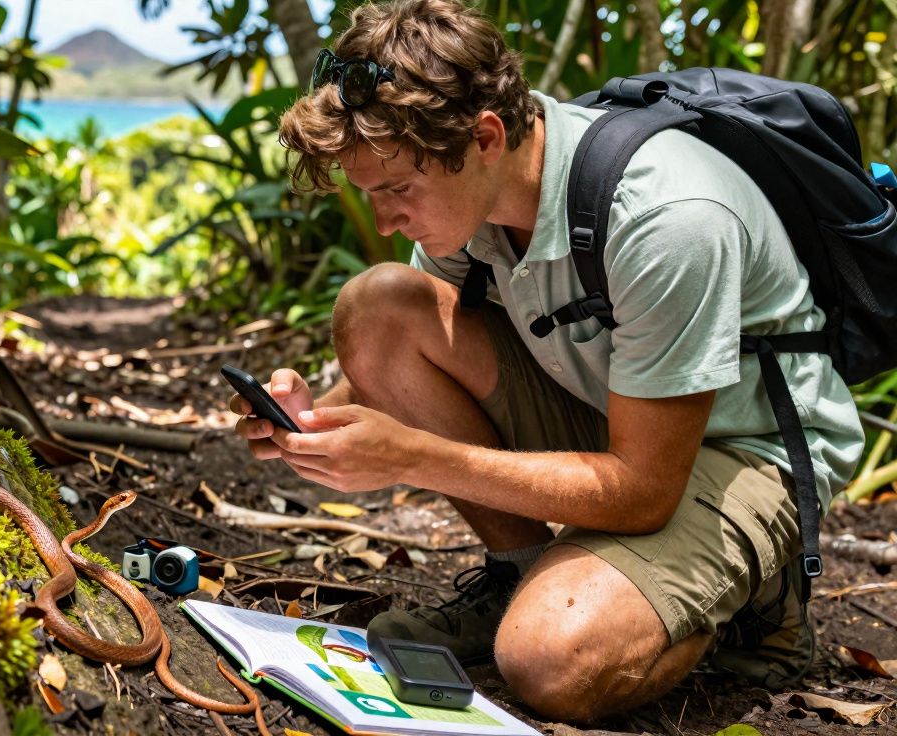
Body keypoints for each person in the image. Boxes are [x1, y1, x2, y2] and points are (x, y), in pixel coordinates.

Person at [227, 0, 864, 722]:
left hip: (744, 449)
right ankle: (521, 573)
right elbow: (406, 350)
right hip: (614, 405)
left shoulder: (666, 219)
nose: (384, 219)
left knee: (549, 659)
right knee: (378, 307)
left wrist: (413, 458)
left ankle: (754, 599)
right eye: (370, 192)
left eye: (397, 189)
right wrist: (312, 421)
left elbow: (644, 490)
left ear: (485, 136)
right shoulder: (475, 192)